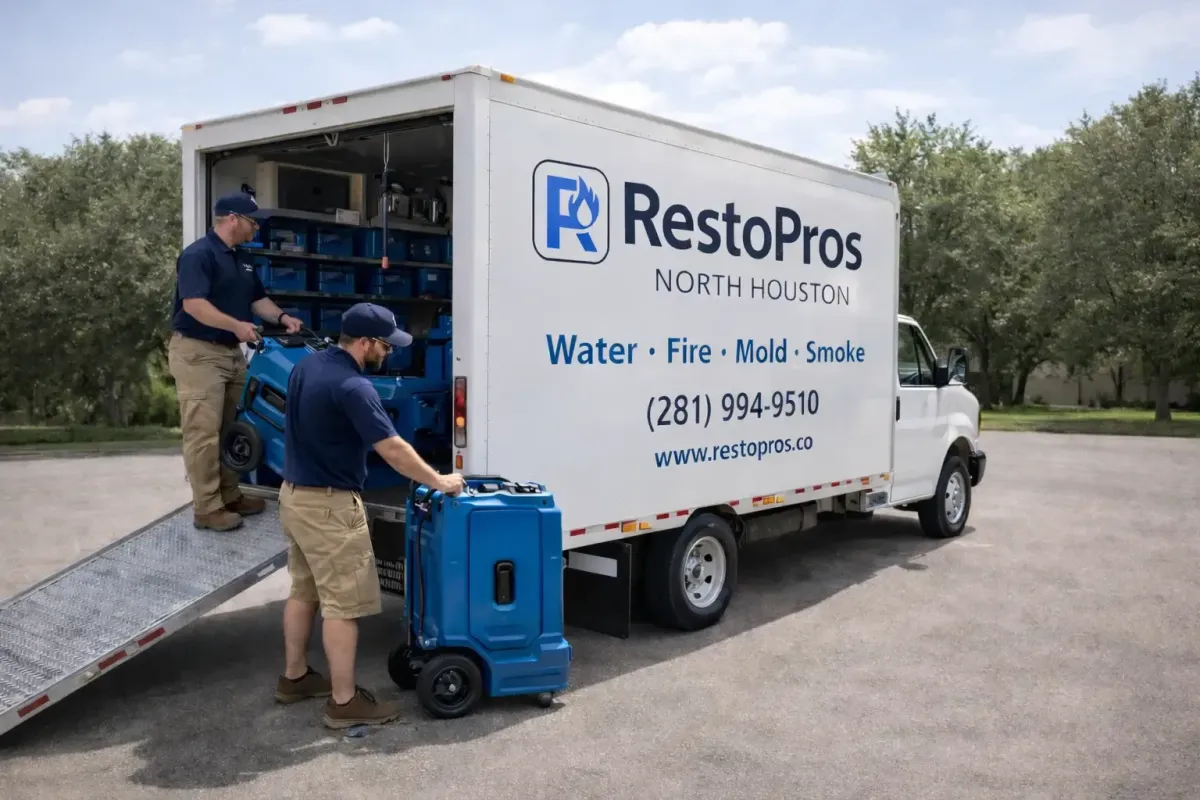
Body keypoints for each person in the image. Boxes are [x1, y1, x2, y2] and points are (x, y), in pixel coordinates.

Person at [273, 302, 466, 729]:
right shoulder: (354, 387)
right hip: (329, 507)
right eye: (385, 345)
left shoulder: (307, 366)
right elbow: (393, 450)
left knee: (304, 590)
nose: (389, 353)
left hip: (294, 496)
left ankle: (295, 678)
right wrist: (440, 481)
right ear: (364, 343)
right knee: (344, 606)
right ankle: (344, 703)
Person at [168, 192, 303, 532]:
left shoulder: (240, 259)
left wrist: (283, 317)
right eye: (252, 222)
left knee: (237, 427)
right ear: (232, 219)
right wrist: (236, 326)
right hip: (198, 353)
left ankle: (229, 494)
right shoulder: (198, 255)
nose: (255, 229)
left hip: (230, 353)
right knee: (203, 433)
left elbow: (258, 300)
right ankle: (207, 508)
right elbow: (194, 305)